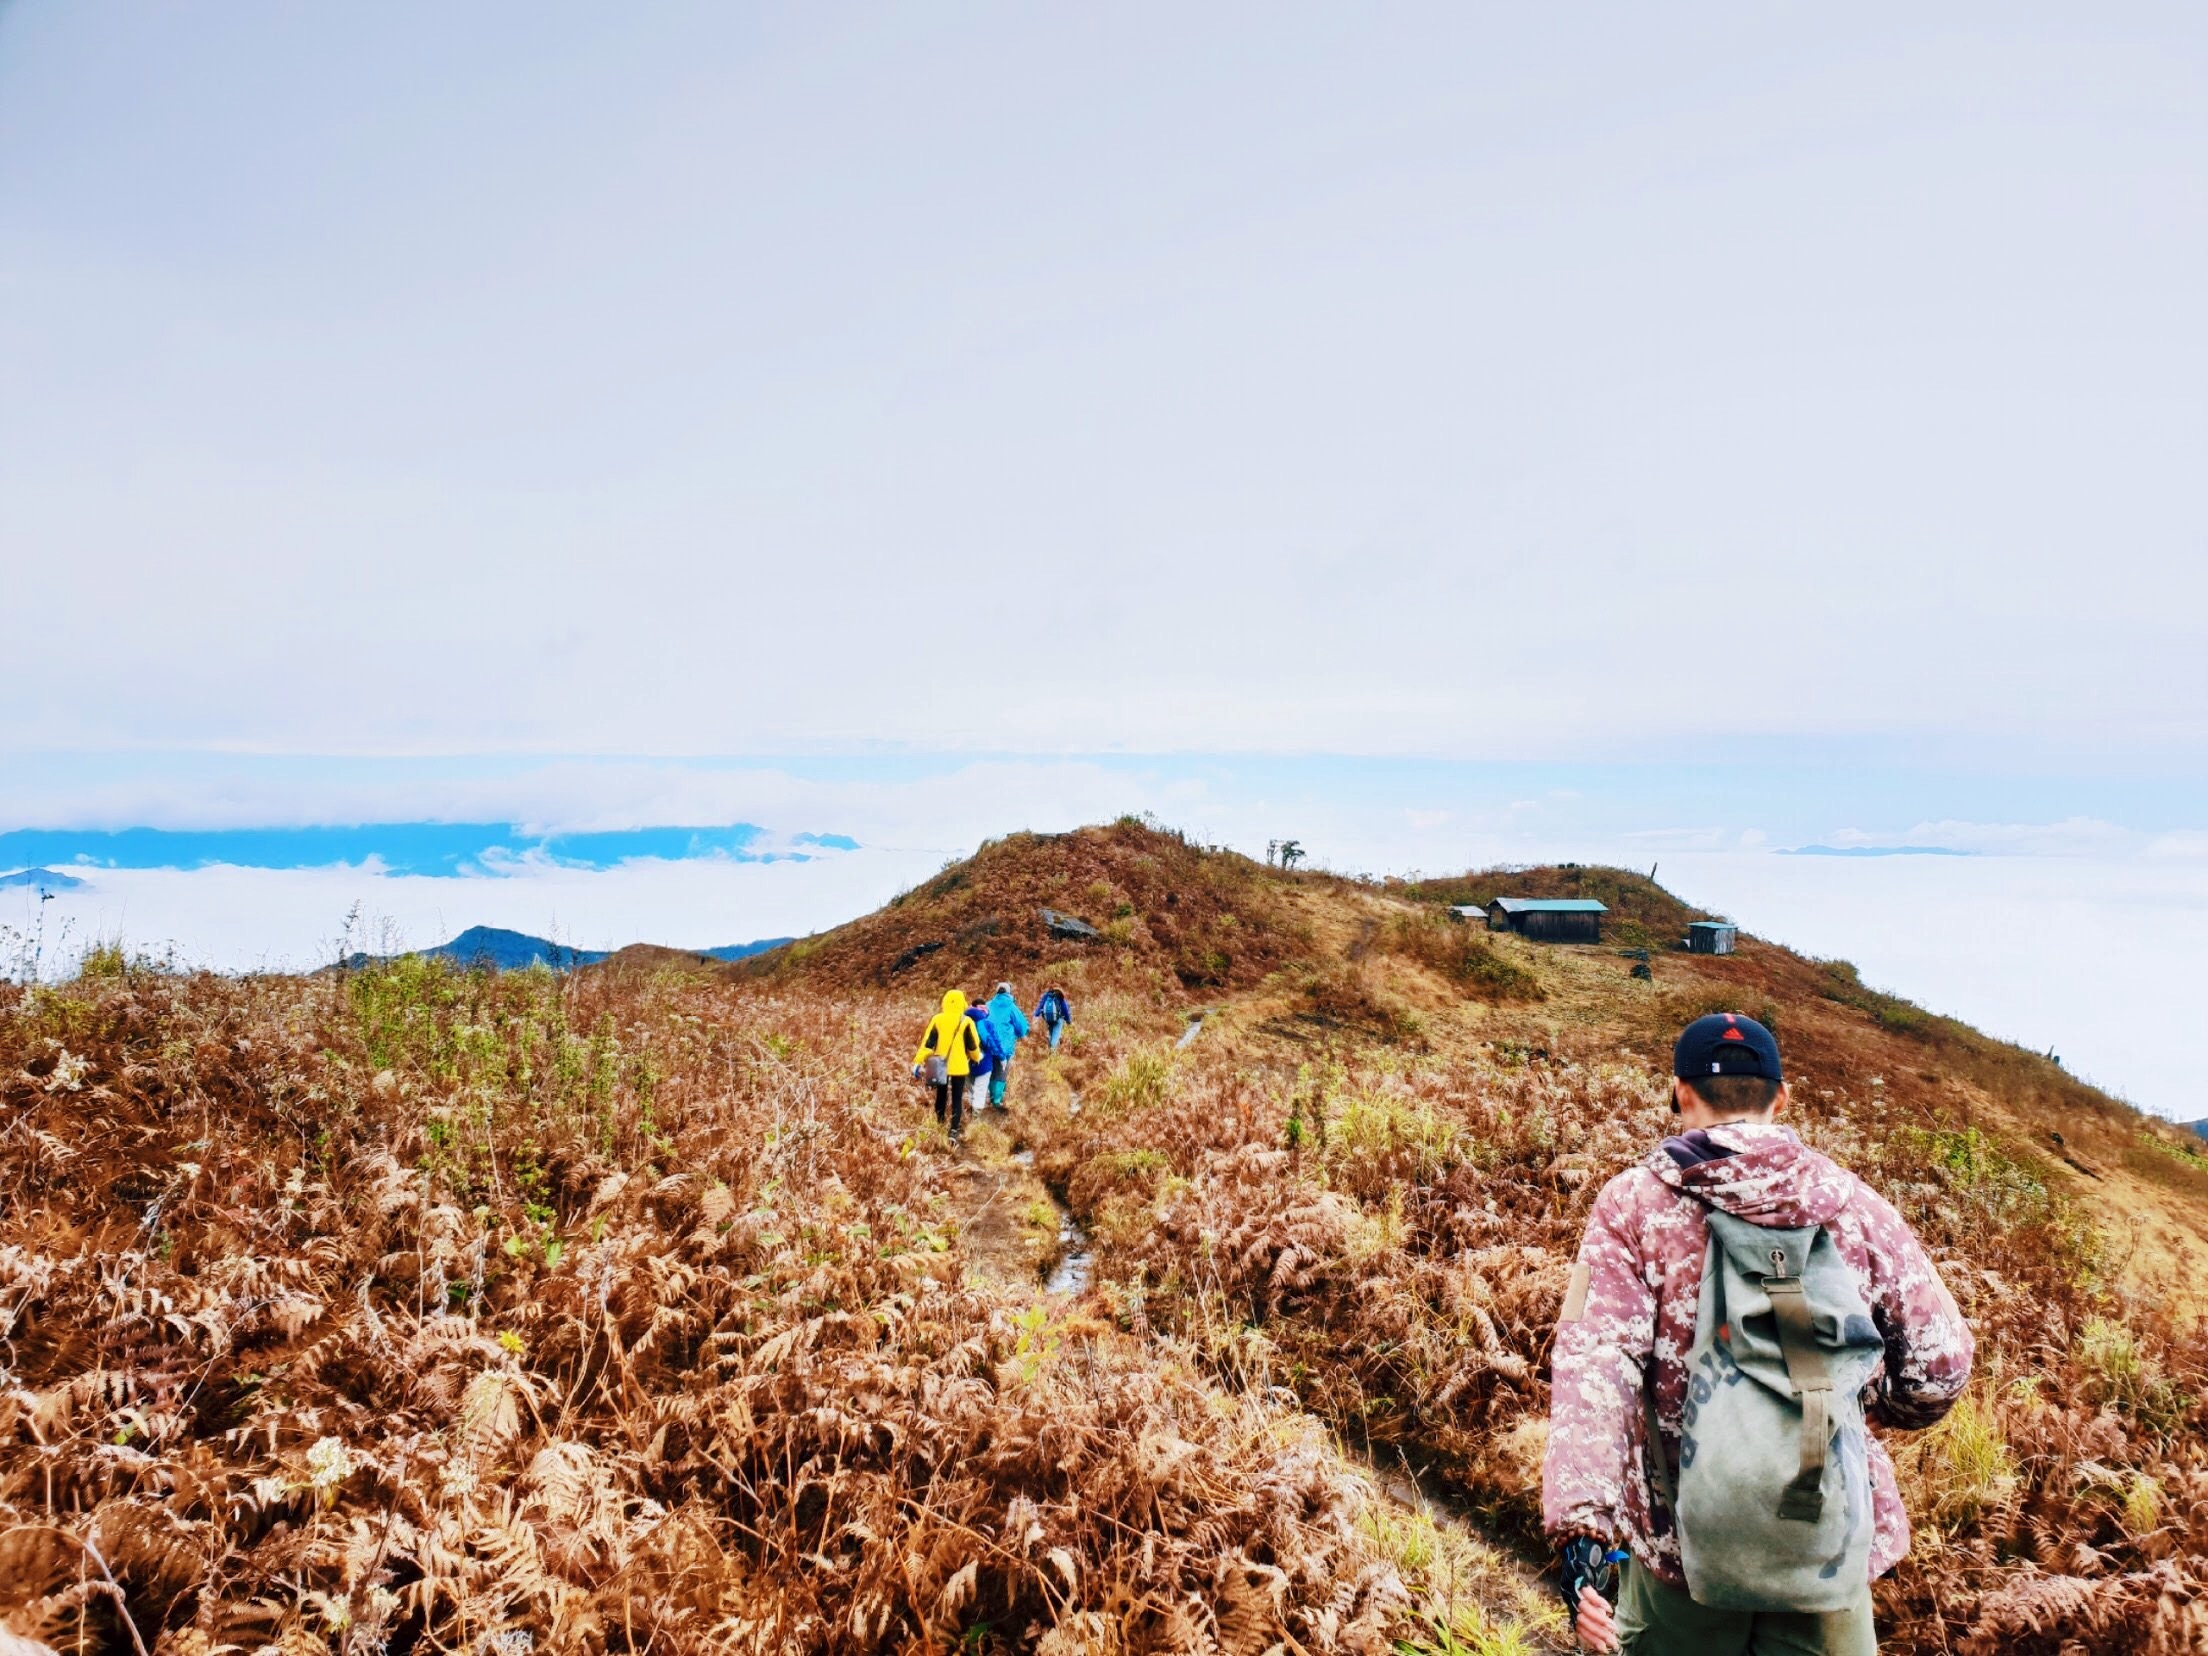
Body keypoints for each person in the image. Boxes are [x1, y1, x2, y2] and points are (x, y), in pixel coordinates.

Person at [1544, 1013, 1974, 1655]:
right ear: (1782, 1097)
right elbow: (1940, 1369)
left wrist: (1584, 1527)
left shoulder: (1634, 1206)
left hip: (1681, 1540)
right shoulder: (1854, 1206)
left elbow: (1597, 1365)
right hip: (1823, 1538)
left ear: (1680, 1092)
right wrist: (1852, 1408)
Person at [911, 990, 984, 1143]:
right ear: (962, 1002)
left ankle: (939, 1123)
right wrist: (977, 1057)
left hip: (939, 1065)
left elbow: (928, 1044)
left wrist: (918, 1061)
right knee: (957, 1098)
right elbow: (972, 1045)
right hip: (959, 1066)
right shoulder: (966, 1021)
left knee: (941, 1096)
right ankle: (953, 1131)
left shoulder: (937, 1019)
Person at [981, 981, 1030, 1108]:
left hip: (988, 1044)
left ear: (996, 992)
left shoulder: (988, 1004)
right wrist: (1020, 1034)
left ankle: (988, 1096)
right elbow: (1022, 1026)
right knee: (1001, 1072)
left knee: (990, 1071)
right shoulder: (1012, 1007)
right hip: (1005, 1046)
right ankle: (996, 1101)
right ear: (1009, 992)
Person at [1033, 983, 1073, 1050]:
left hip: (1048, 1019)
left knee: (1052, 1035)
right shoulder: (1059, 996)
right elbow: (1065, 1008)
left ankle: (1050, 1052)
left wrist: (1036, 1015)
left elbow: (1040, 1005)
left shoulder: (1046, 995)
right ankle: (1052, 1054)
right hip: (1059, 1019)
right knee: (1056, 1036)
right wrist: (1068, 1020)